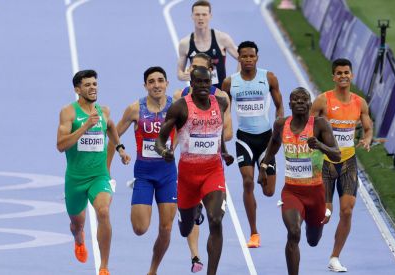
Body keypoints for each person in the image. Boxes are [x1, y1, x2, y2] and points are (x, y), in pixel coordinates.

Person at [155, 66, 234, 275]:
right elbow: (160, 140)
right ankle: (190, 212)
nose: (202, 86)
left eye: (206, 82)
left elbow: (217, 134)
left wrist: (224, 152)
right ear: (191, 84)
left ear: (211, 83)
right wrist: (165, 152)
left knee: (216, 220)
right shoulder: (181, 107)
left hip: (213, 171)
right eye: (198, 82)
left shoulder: (222, 103)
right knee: (185, 230)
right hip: (188, 176)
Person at [259, 87, 341, 275]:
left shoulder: (320, 125)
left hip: (316, 193)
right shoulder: (281, 124)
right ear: (289, 105)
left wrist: (319, 145)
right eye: (295, 100)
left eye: (304, 100)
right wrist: (263, 167)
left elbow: (336, 155)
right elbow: (274, 143)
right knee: (294, 232)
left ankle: (318, 222)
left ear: (310, 104)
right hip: (291, 192)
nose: (300, 103)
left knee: (313, 240)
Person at [56, 70, 131, 275]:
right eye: (87, 85)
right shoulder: (68, 113)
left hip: (99, 176)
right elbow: (61, 145)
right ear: (77, 89)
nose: (93, 88)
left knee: (104, 212)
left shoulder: (103, 111)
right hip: (75, 180)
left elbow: (111, 127)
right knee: (77, 224)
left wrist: (120, 148)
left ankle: (104, 267)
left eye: (95, 84)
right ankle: (79, 238)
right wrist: (85, 126)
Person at [106, 67, 176, 275]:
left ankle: (153, 270)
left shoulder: (176, 108)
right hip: (144, 175)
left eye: (160, 80)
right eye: (152, 81)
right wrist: (107, 169)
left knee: (166, 229)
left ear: (167, 84)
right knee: (140, 229)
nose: (156, 85)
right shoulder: (135, 109)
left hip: (168, 175)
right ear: (145, 85)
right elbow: (113, 134)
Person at [309, 58, 373, 272]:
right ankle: (311, 221)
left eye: (347, 72)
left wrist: (367, 139)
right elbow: (308, 124)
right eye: (339, 73)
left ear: (352, 75)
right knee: (325, 216)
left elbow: (368, 127)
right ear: (333, 77)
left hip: (348, 162)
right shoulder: (322, 101)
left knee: (347, 210)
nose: (344, 76)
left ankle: (335, 257)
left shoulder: (359, 103)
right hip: (325, 162)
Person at [222, 40, 284, 248]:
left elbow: (279, 106)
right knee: (247, 181)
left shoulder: (268, 77)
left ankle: (264, 169)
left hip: (266, 139)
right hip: (244, 139)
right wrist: (225, 134)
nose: (248, 59)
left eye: (251, 56)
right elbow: (225, 111)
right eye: (244, 56)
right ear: (238, 58)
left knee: (268, 192)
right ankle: (254, 233)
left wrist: (279, 127)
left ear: (257, 58)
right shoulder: (230, 83)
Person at [177, 0, 238, 89]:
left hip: (220, 94)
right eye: (197, 14)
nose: (200, 18)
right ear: (192, 16)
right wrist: (183, 76)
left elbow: (241, 57)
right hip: (197, 95)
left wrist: (236, 81)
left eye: (204, 14)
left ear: (210, 16)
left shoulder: (222, 38)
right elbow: (179, 72)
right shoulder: (185, 43)